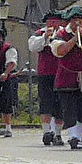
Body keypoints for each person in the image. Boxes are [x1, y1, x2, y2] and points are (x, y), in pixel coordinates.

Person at [50, 7, 82, 150]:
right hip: (67, 77)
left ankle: (78, 137)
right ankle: (73, 136)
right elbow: (60, 51)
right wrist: (75, 38)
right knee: (69, 109)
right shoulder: (60, 34)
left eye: (80, 19)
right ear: (70, 20)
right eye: (74, 19)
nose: (77, 22)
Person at [28, 9, 66, 146]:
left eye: (55, 21)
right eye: (50, 21)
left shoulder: (64, 34)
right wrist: (45, 37)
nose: (53, 24)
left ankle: (58, 134)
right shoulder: (39, 34)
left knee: (60, 105)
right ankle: (46, 132)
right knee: (45, 104)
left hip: (62, 73)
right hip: (45, 74)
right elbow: (33, 47)